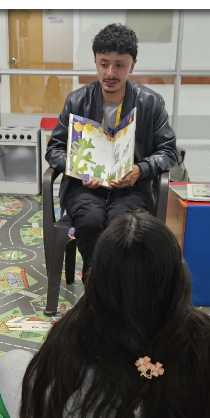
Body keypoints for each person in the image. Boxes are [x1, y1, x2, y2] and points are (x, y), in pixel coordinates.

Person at [0, 211, 210, 418]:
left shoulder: (69, 349)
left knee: (11, 361)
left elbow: (42, 416)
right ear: (179, 279)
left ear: (97, 280)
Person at [46, 23, 177, 280]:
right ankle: (98, 281)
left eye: (119, 65)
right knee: (90, 221)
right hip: (84, 187)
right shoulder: (77, 100)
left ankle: (106, 282)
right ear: (95, 61)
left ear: (132, 65)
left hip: (131, 188)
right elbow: (55, 149)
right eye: (104, 64)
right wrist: (79, 170)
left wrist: (140, 170)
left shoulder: (150, 102)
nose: (110, 73)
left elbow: (168, 151)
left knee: (121, 224)